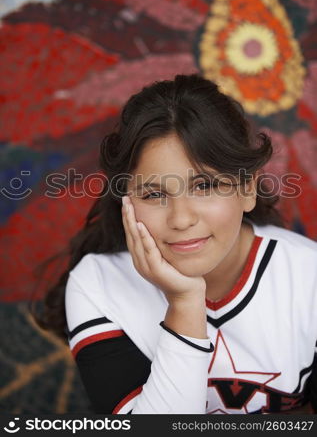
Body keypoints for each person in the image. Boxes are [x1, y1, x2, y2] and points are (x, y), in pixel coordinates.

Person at [32, 74, 317, 414]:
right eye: (154, 194)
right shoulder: (97, 284)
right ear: (127, 201)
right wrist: (184, 304)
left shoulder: (308, 277)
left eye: (205, 186)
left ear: (247, 189)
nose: (181, 219)